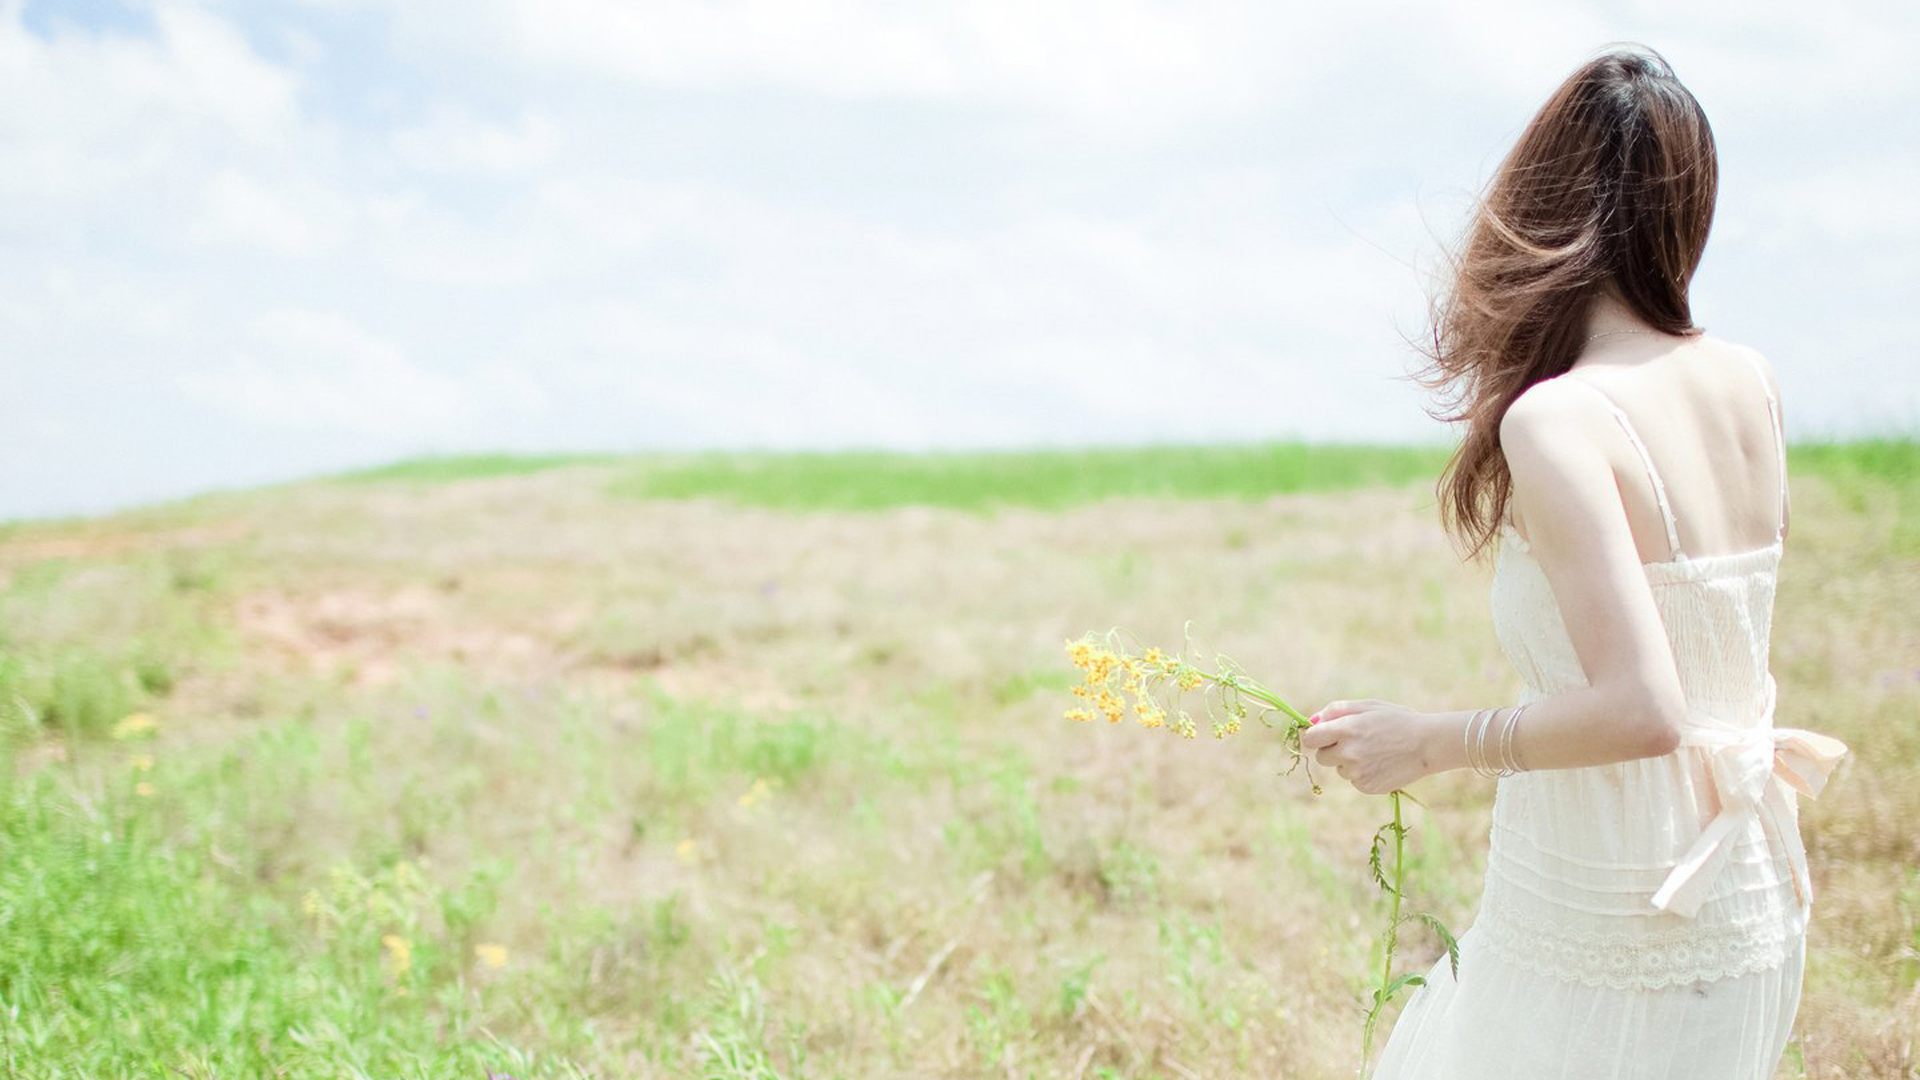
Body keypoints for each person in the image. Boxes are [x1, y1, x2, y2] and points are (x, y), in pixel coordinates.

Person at [1298, 43, 1850, 1080]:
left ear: (1539, 200)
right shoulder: (1750, 378)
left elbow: (1646, 709)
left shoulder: (1559, 421)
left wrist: (1430, 741)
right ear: (1691, 205)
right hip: (1748, 896)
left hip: (1613, 904)